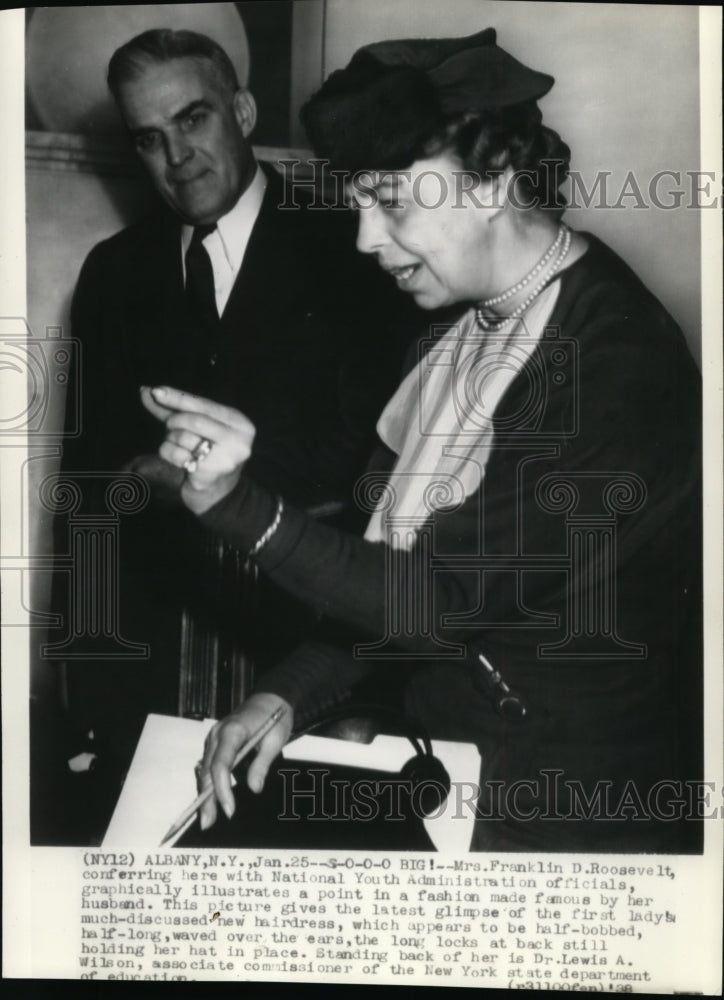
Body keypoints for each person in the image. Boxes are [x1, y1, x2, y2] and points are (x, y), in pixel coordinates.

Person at [143, 28, 702, 852]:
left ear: (495, 184)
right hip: (453, 764)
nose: (366, 238)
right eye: (358, 201)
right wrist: (288, 693)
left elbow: (437, 600)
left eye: (393, 201)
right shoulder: (455, 336)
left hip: (567, 811)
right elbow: (384, 567)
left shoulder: (611, 360)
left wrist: (239, 507)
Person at [42, 28, 425, 838]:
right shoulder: (114, 271)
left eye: (194, 120)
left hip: (307, 661)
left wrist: (371, 690)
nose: (176, 155)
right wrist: (86, 691)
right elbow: (85, 493)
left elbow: (388, 485)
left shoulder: (358, 247)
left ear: (243, 110)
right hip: (155, 665)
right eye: (149, 138)